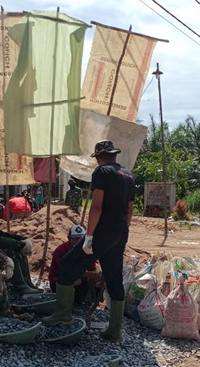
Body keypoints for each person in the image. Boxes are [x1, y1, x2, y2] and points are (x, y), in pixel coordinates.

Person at [42, 140, 135, 344]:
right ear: (114, 155)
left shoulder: (102, 173)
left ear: (98, 157)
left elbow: (97, 207)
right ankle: (114, 331)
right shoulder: (128, 175)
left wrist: (90, 236)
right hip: (120, 233)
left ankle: (63, 315)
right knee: (113, 278)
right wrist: (122, 232)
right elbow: (129, 210)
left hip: (102, 232)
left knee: (67, 266)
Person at [0, 201, 40, 295]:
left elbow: (4, 235)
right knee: (10, 250)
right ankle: (19, 286)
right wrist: (20, 244)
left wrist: (22, 239)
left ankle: (26, 283)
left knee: (18, 249)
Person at [48, 225, 103, 305]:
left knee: (99, 281)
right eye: (75, 239)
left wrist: (96, 275)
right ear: (68, 238)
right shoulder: (61, 250)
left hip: (79, 277)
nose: (77, 241)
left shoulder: (87, 249)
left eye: (80, 239)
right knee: (76, 280)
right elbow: (64, 272)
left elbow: (92, 268)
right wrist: (86, 274)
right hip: (59, 281)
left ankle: (90, 300)